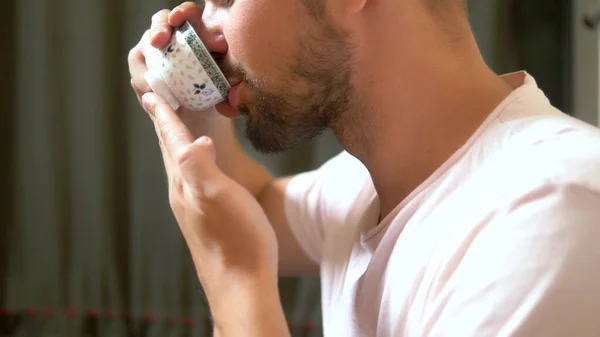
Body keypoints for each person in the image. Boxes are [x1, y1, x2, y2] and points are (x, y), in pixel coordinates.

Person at [128, 1, 600, 336]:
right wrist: (195, 105)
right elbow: (253, 211)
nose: (205, 31)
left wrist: (235, 281)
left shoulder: (550, 217)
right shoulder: (367, 185)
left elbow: (239, 243)